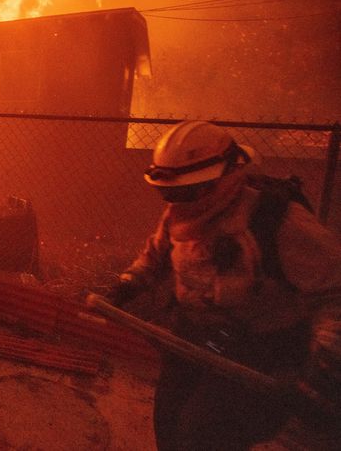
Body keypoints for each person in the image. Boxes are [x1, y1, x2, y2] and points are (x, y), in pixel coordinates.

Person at [104, 120, 341, 450]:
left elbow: (335, 292)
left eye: (186, 191)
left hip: (257, 351)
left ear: (223, 179)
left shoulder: (275, 219)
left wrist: (325, 363)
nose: (177, 202)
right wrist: (128, 283)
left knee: (203, 434)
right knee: (169, 423)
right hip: (192, 339)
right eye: (169, 193)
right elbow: (155, 255)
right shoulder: (179, 213)